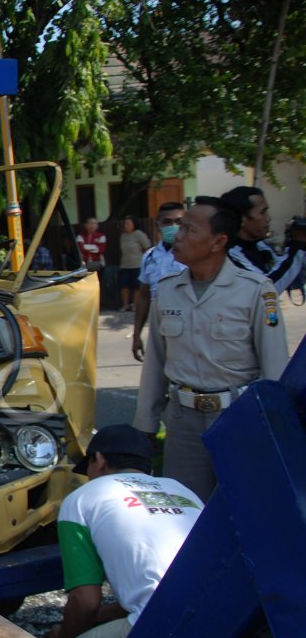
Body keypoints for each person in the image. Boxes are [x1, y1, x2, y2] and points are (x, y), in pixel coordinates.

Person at [133, 197, 289, 501]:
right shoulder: (167, 290)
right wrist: (146, 423)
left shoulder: (256, 291)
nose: (177, 235)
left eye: (189, 229)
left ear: (218, 242)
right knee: (185, 511)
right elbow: (155, 362)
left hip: (237, 420)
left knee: (243, 509)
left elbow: (275, 369)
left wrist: (273, 430)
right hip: (182, 422)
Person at [46, 425, 202, 638]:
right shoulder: (182, 490)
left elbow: (86, 600)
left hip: (162, 624)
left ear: (99, 460)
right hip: (219, 616)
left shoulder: (81, 499)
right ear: (148, 468)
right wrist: (103, 617)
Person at [221, 185, 305, 295]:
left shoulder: (260, 245)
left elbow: (290, 277)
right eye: (262, 212)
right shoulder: (230, 254)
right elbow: (267, 290)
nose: (269, 218)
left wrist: (293, 242)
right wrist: (297, 245)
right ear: (242, 219)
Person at [131, 202, 186, 361]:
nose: (173, 226)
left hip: (188, 329)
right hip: (159, 328)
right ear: (158, 225)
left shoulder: (194, 255)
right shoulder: (150, 257)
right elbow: (144, 297)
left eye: (179, 222)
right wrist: (136, 335)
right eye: (167, 222)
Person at [116, 215, 151, 312]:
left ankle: (135, 305)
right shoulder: (123, 235)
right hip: (125, 264)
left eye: (128, 223)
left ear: (134, 224)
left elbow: (147, 246)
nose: (126, 225)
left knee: (137, 286)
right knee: (124, 286)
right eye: (125, 223)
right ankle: (125, 305)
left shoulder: (139, 234)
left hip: (137, 264)